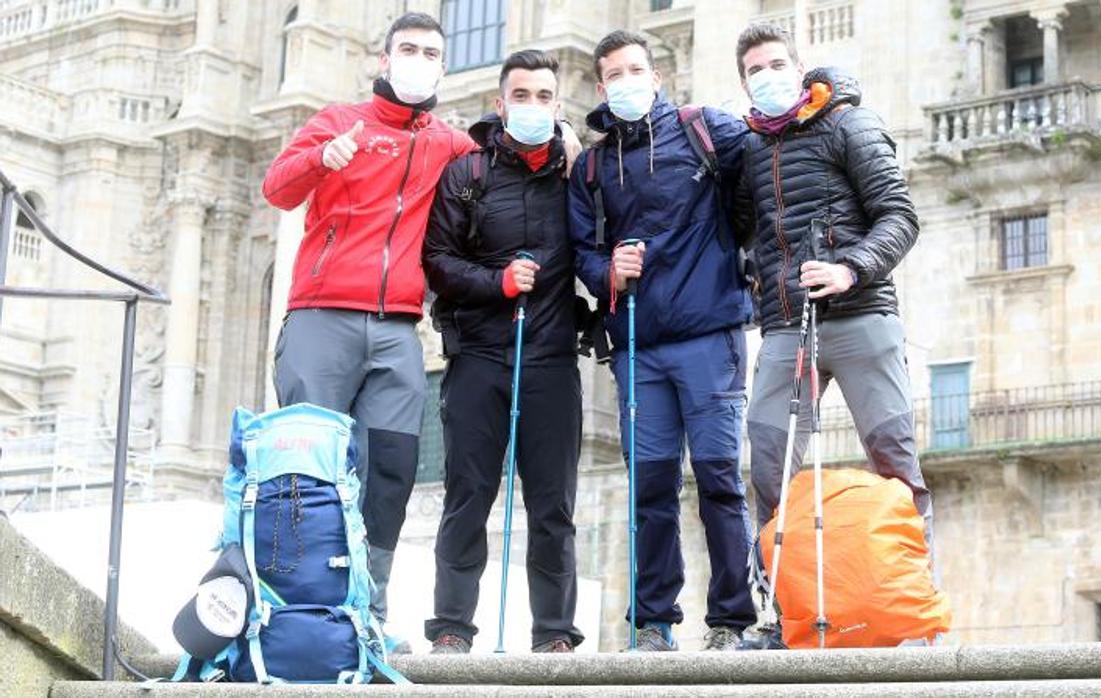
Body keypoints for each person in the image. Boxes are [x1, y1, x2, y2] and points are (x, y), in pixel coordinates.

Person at [261, 12, 580, 650]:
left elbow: (506, 154)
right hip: (322, 314)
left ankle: (366, 618)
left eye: (431, 52)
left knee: (391, 473)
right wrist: (324, 157)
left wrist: (566, 135)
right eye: (407, 49)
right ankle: (290, 613)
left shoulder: (450, 145)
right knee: (307, 470)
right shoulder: (337, 120)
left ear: (442, 65)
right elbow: (277, 189)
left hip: (398, 329)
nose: (419, 60)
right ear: (385, 60)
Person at [732, 23, 933, 626]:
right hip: (787, 328)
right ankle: (779, 616)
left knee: (895, 462)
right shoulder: (748, 150)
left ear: (799, 68)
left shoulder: (851, 124)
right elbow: (744, 232)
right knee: (767, 466)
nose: (766, 76)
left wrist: (851, 268)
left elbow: (900, 216)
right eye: (753, 71)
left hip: (863, 316)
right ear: (743, 81)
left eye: (775, 64)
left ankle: (912, 613)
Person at [567, 30, 755, 652]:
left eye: (636, 70)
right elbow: (580, 253)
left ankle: (731, 622)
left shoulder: (706, 129)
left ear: (657, 74)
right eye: (614, 74)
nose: (627, 82)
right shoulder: (590, 166)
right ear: (600, 87)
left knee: (720, 482)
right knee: (650, 489)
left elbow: (768, 157)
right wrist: (606, 273)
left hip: (710, 338)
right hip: (636, 348)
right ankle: (652, 624)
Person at [421, 49, 584, 655]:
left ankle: (554, 636)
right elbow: (437, 260)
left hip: (550, 357)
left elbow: (594, 248)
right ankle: (450, 629)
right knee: (467, 496)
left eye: (544, 97)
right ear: (501, 103)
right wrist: (497, 283)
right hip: (479, 357)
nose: (533, 106)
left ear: (558, 106)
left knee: (552, 506)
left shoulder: (577, 174)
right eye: (522, 96)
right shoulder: (466, 173)